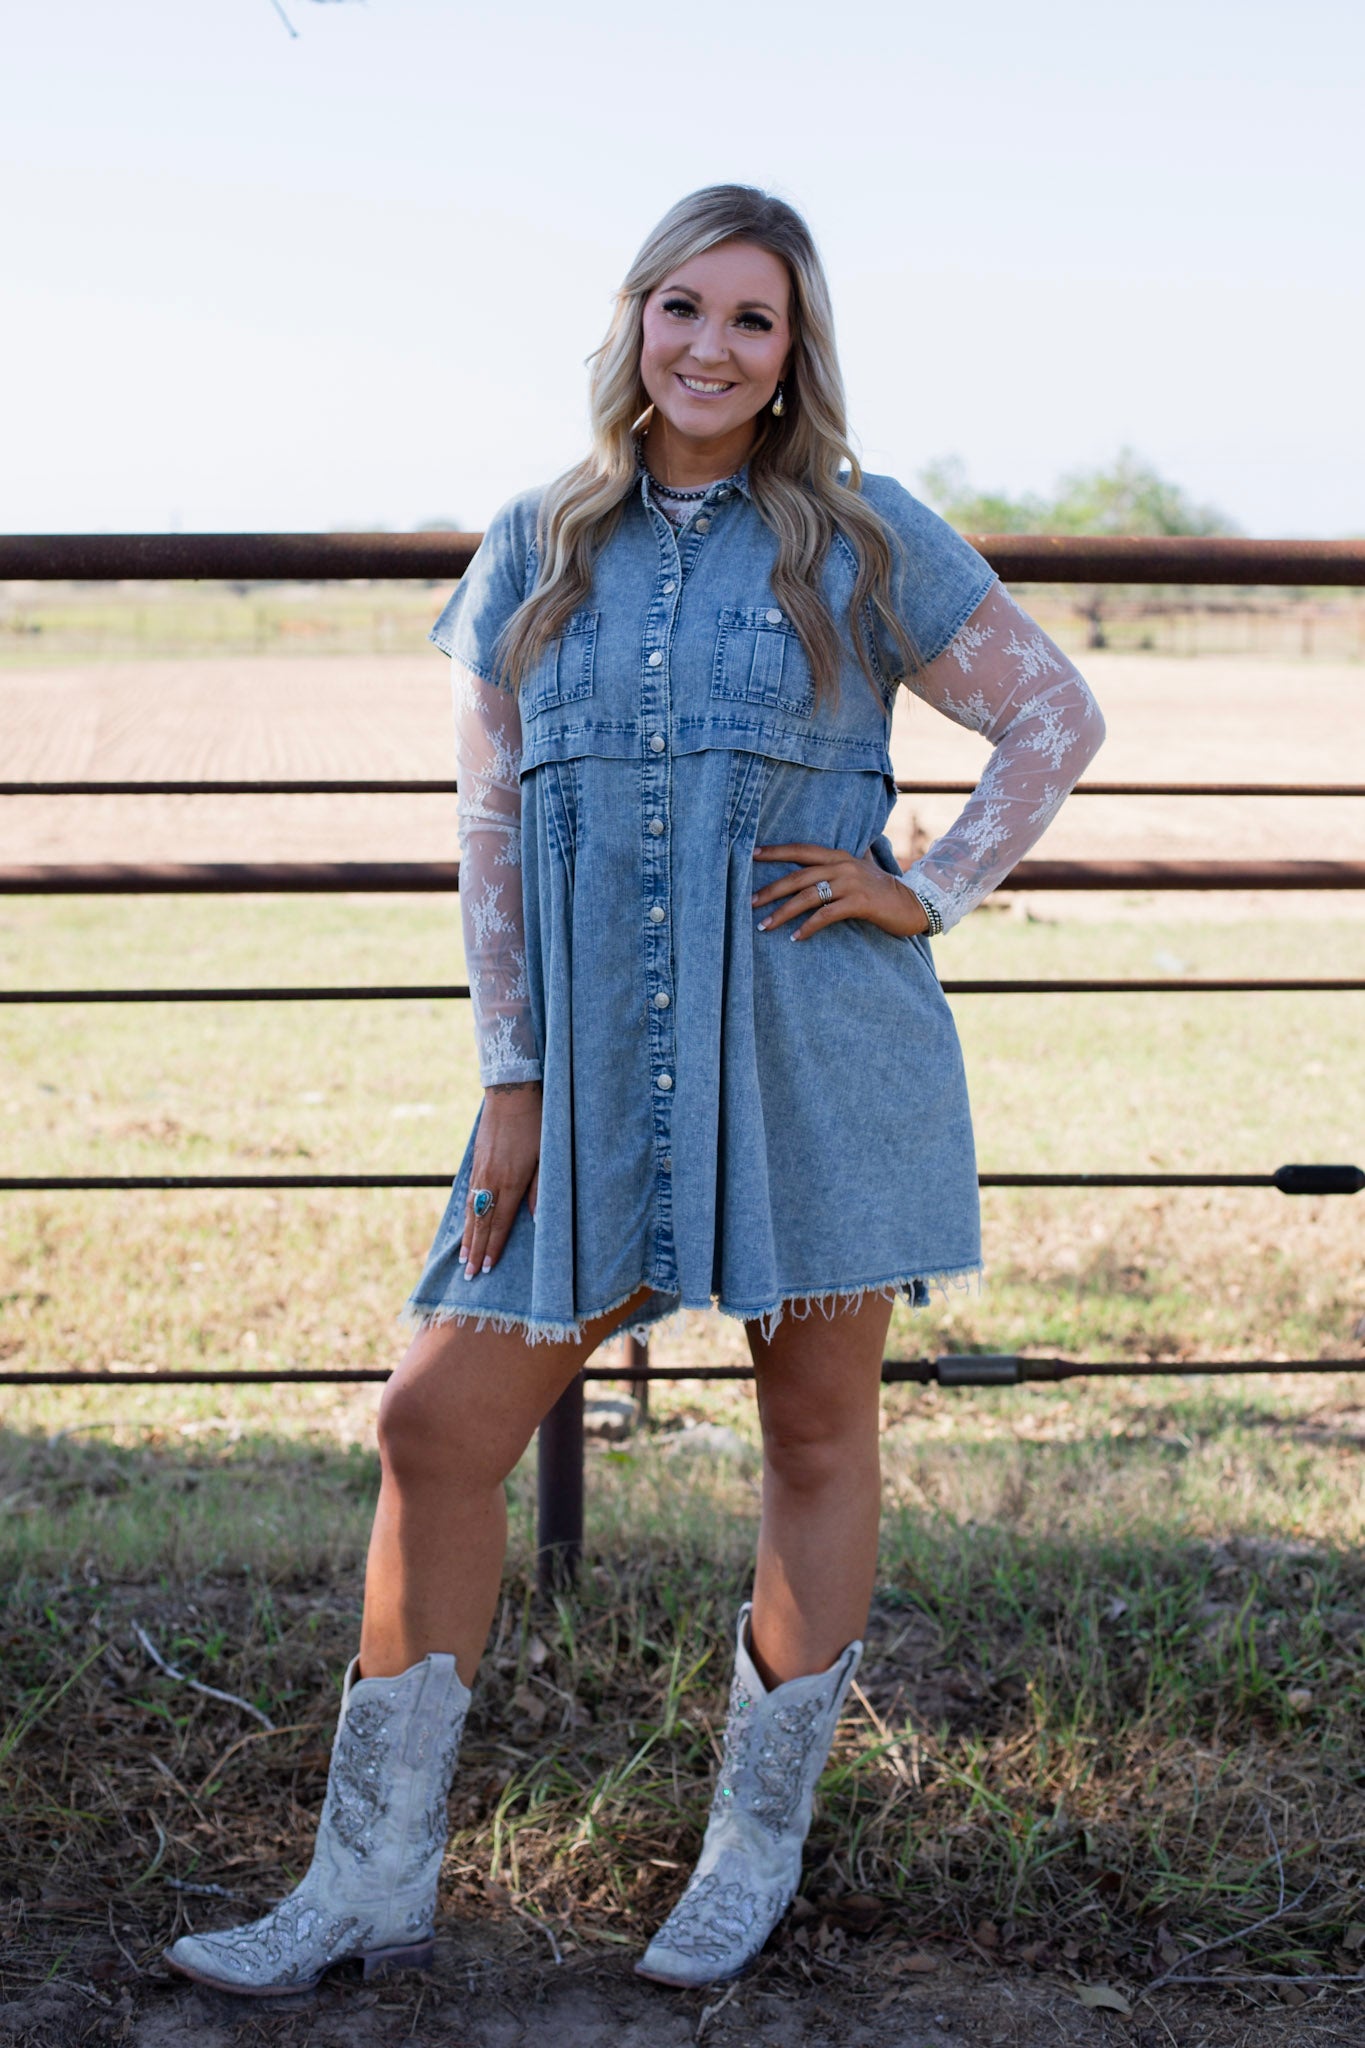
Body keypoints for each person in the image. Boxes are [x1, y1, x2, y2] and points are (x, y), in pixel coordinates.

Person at [165, 184, 1104, 1997]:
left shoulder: (860, 532)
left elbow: (1052, 716)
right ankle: (366, 1880)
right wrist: (509, 1081)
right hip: (585, 1075)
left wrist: (928, 886)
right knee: (434, 1424)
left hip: (811, 1057)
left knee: (815, 1433)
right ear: (635, 323)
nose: (709, 347)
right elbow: (490, 827)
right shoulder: (538, 542)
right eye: (682, 306)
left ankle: (747, 1858)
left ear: (791, 353)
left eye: (751, 319)